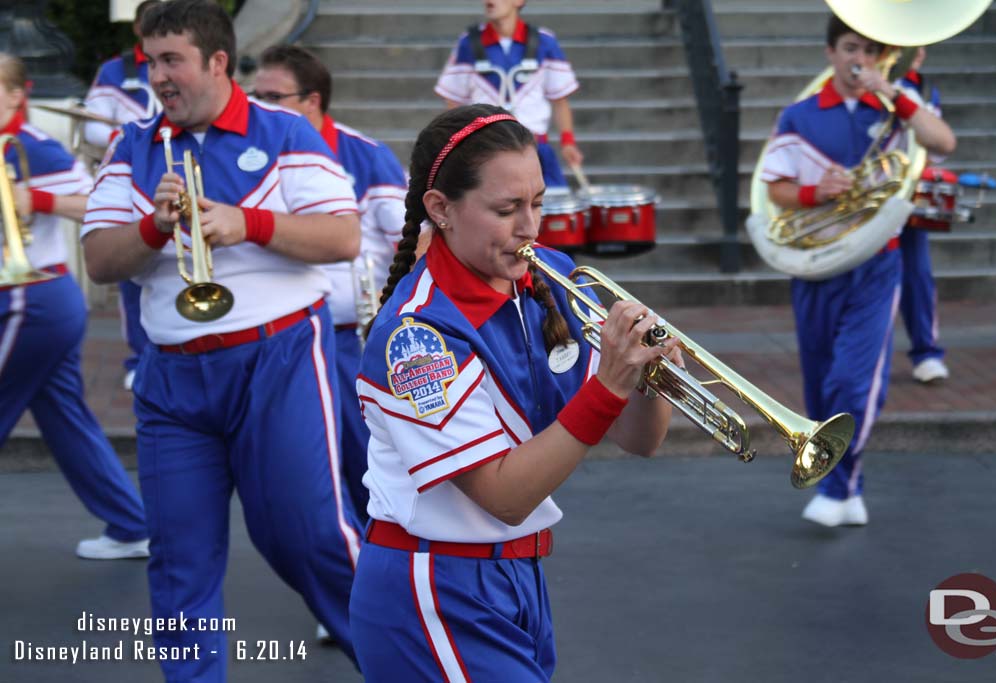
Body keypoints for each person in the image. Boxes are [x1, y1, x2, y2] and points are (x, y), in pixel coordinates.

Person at [349, 103, 681, 682]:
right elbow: (502, 496)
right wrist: (607, 386)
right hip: (435, 586)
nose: (531, 227)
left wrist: (650, 378)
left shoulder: (548, 278)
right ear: (441, 209)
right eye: (506, 209)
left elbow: (638, 441)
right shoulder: (417, 337)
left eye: (538, 202)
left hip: (518, 576)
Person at [81, 1, 364, 679]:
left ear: (215, 61)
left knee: (311, 538)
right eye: (150, 61)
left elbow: (342, 237)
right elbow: (99, 258)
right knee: (179, 562)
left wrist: (248, 223)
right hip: (173, 377)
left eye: (171, 60)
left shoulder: (286, 131)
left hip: (281, 360)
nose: (158, 77)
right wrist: (154, 228)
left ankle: (405, 664)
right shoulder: (134, 145)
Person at [761, 15, 955, 527]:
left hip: (875, 263)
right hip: (815, 265)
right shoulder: (800, 114)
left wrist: (896, 93)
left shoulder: (896, 110)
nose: (859, 60)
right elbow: (774, 187)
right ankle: (849, 490)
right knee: (821, 385)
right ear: (831, 52)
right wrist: (813, 192)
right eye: (851, 48)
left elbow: (943, 142)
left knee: (855, 379)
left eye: (870, 51)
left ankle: (838, 486)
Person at [252, 44, 408, 533]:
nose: (259, 107)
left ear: (312, 101)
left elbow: (415, 239)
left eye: (273, 97)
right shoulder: (252, 152)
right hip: (278, 334)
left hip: (348, 338)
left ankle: (376, 577)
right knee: (302, 470)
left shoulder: (365, 155)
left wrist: (395, 314)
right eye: (254, 96)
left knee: (361, 463)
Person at [0, 53, 150, 560]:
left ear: (17, 95)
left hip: (31, 299)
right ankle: (131, 525)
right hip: (37, 304)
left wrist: (34, 200)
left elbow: (95, 200)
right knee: (66, 421)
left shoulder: (34, 149)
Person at [84, 0, 164, 392]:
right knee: (133, 273)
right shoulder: (115, 70)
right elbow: (92, 129)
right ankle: (138, 358)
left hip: (182, 173)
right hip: (135, 178)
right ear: (136, 27)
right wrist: (135, 132)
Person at [435, 0, 583, 189]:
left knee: (549, 211)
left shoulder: (545, 42)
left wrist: (568, 142)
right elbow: (453, 99)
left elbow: (560, 100)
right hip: (486, 150)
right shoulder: (468, 43)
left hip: (534, 147)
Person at [898, 48, 950, 384]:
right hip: (873, 197)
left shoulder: (928, 90)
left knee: (918, 273)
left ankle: (926, 352)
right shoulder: (881, 83)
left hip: (911, 196)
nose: (917, 51)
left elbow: (936, 146)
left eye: (921, 44)